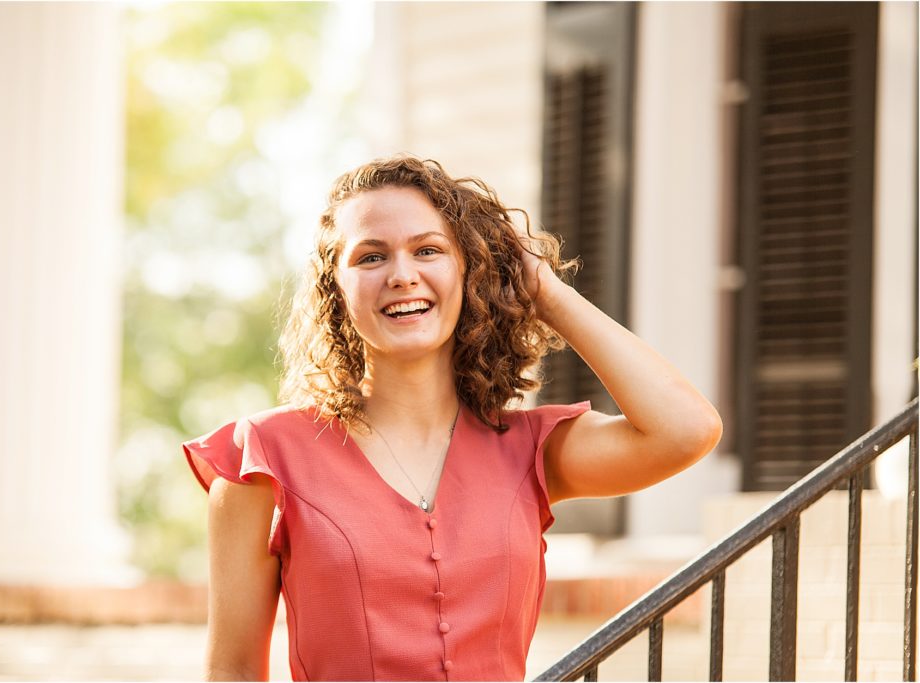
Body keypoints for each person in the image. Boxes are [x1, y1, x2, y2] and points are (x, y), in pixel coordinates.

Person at [182, 155, 723, 682]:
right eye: (370, 257)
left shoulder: (529, 448)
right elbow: (231, 672)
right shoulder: (263, 458)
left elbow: (688, 430)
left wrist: (546, 293)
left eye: (428, 250)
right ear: (335, 288)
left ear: (469, 271)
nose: (401, 275)